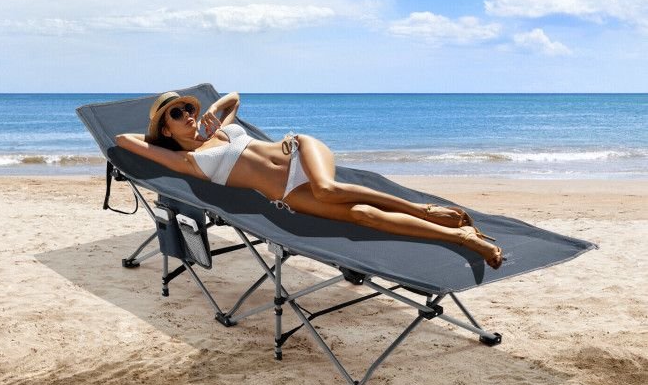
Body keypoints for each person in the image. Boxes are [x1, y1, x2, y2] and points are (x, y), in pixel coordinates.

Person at [116, 91, 504, 269]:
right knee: (363, 216)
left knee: (328, 188)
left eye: (188, 107)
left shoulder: (217, 128)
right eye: (176, 114)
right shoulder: (185, 160)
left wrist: (212, 111)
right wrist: (162, 130)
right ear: (165, 130)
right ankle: (461, 237)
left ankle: (424, 210)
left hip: (299, 150)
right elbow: (124, 139)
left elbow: (233, 97)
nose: (187, 113)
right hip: (289, 191)